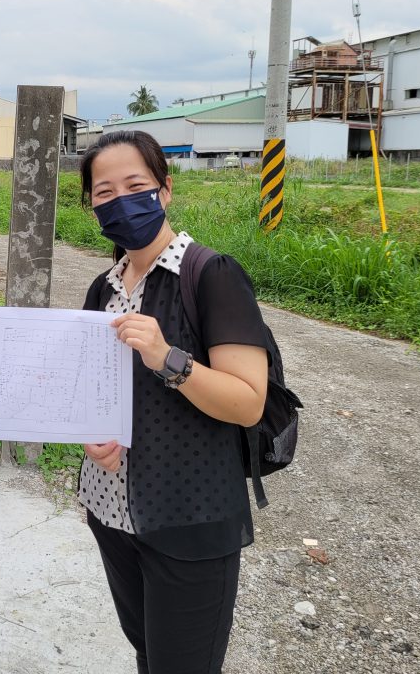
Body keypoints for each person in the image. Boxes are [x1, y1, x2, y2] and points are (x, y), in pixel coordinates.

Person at [77, 130, 269, 674]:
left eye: (135, 185)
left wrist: (168, 358)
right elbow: (99, 391)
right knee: (148, 654)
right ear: (91, 205)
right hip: (111, 512)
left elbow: (247, 403)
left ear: (165, 190)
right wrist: (94, 435)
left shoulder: (212, 275)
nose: (120, 201)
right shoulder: (104, 288)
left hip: (190, 518)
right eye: (104, 192)